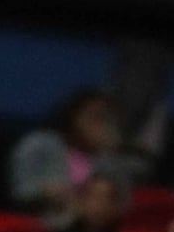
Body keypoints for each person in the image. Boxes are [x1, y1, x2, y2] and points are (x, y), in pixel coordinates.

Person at [9, 89, 133, 219]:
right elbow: (21, 193)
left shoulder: (107, 157)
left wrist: (113, 153)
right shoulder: (39, 145)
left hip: (96, 224)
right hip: (46, 221)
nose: (101, 125)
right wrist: (49, 193)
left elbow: (123, 201)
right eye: (94, 117)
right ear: (74, 116)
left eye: (105, 119)